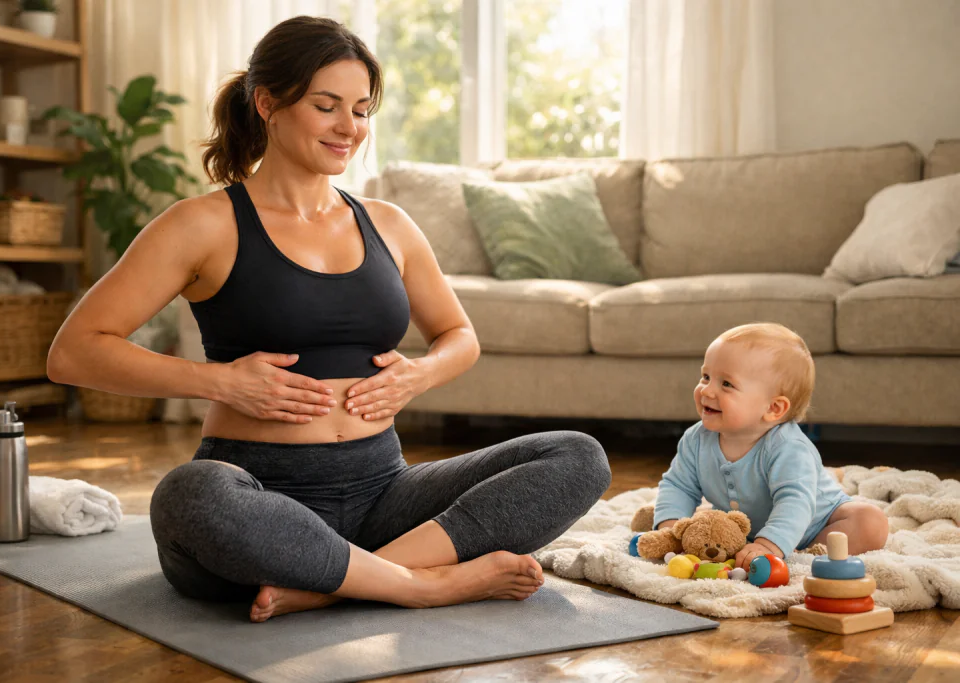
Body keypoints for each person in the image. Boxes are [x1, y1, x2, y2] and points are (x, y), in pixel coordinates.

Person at [47, 15, 611, 623]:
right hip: (259, 500)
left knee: (576, 456)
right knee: (189, 495)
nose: (350, 127)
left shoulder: (389, 224)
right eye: (327, 106)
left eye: (362, 110)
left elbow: (460, 337)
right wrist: (222, 382)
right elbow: (74, 351)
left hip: (383, 495)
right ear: (268, 103)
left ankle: (333, 584)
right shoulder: (202, 224)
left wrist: (419, 375)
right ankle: (419, 585)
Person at [651, 323, 889, 570]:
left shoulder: (788, 448)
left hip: (818, 523)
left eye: (727, 384)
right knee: (699, 521)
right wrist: (670, 529)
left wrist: (768, 545)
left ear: (773, 408)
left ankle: (802, 555)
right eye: (706, 377)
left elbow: (795, 502)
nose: (707, 391)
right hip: (745, 531)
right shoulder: (696, 439)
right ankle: (757, 549)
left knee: (870, 521)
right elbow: (678, 485)